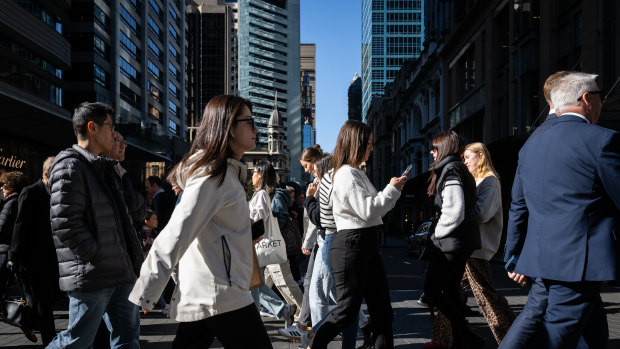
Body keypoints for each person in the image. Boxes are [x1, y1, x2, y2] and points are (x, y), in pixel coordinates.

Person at [128, 94, 272, 348]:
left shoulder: (225, 173)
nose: (256, 128)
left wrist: (241, 232)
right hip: (221, 293)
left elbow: (209, 228)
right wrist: (148, 290)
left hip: (210, 290)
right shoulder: (213, 176)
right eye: (249, 122)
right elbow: (177, 231)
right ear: (228, 127)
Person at [503, 72, 620, 348]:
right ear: (586, 99)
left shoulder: (531, 145)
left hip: (545, 260)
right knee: (555, 338)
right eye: (599, 97)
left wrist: (513, 253)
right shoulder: (602, 140)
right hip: (579, 262)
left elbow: (518, 204)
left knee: (594, 335)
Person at [46, 102, 144, 349]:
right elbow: (65, 223)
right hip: (93, 274)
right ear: (92, 127)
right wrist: (96, 254)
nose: (113, 133)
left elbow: (127, 214)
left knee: (128, 340)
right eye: (110, 126)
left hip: (121, 271)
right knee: (76, 342)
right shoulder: (70, 165)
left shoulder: (103, 166)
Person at [309, 120, 406, 349]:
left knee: (382, 311)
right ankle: (315, 343)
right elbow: (368, 210)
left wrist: (392, 191)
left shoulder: (355, 173)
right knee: (346, 311)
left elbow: (371, 210)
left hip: (364, 243)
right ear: (356, 143)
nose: (372, 148)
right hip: (352, 244)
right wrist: (392, 189)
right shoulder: (347, 174)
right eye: (369, 143)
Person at [422, 131, 483, 349]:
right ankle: (461, 340)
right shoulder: (456, 168)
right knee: (450, 291)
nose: (431, 152)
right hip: (460, 241)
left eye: (435, 148)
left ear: (445, 148)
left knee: (431, 291)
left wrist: (436, 235)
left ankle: (468, 337)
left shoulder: (451, 169)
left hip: (451, 242)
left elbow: (455, 210)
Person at [8, 158, 59, 345]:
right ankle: (50, 342)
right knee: (44, 303)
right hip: (34, 260)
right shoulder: (30, 193)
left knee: (47, 301)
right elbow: (20, 226)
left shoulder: (58, 194)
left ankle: (27, 321)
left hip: (52, 258)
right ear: (46, 175)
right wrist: (14, 256)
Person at [249, 161, 297, 328]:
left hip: (256, 244)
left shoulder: (261, 194)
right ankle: (284, 310)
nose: (252, 175)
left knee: (253, 284)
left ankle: (256, 320)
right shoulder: (261, 194)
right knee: (256, 284)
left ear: (261, 174)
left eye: (254, 172)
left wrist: (246, 224)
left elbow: (258, 219)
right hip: (256, 244)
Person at [0, 171, 33, 342]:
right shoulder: (23, 200)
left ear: (10, 186)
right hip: (17, 253)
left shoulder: (10, 203)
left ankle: (21, 320)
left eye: (4, 186)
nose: (1, 189)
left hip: (4, 252)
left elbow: (1, 226)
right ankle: (24, 320)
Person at [103, 131, 146, 231]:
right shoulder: (102, 171)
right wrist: (138, 200)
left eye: (124, 142)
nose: (123, 146)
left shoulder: (123, 172)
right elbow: (126, 202)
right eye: (117, 140)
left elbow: (139, 211)